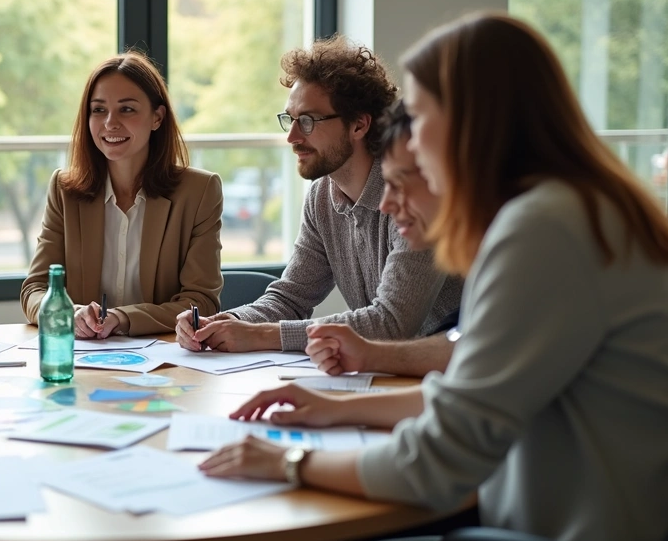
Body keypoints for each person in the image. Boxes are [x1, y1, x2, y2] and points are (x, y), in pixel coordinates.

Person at [197, 12, 668, 541]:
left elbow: (438, 459)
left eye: (419, 110)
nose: (406, 129)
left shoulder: (545, 230)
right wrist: (334, 407)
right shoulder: (562, 209)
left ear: (470, 118)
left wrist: (290, 460)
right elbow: (467, 391)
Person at [175, 36, 461, 353]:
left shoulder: (414, 196)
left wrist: (263, 336)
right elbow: (291, 297)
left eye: (308, 121)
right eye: (290, 119)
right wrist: (220, 324)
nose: (292, 137)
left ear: (359, 125)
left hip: (443, 372)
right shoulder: (322, 196)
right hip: (386, 373)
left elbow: (392, 323)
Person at [21, 52, 223, 337]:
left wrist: (122, 318)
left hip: (163, 363)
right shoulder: (65, 189)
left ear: (157, 117)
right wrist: (68, 313)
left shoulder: (199, 192)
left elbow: (200, 302)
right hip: (85, 357)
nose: (110, 123)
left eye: (127, 109)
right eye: (99, 110)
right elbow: (35, 290)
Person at [304, 100, 458, 377]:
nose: (385, 204)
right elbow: (461, 354)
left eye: (400, 181)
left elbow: (393, 323)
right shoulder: (320, 198)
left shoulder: (524, 242)